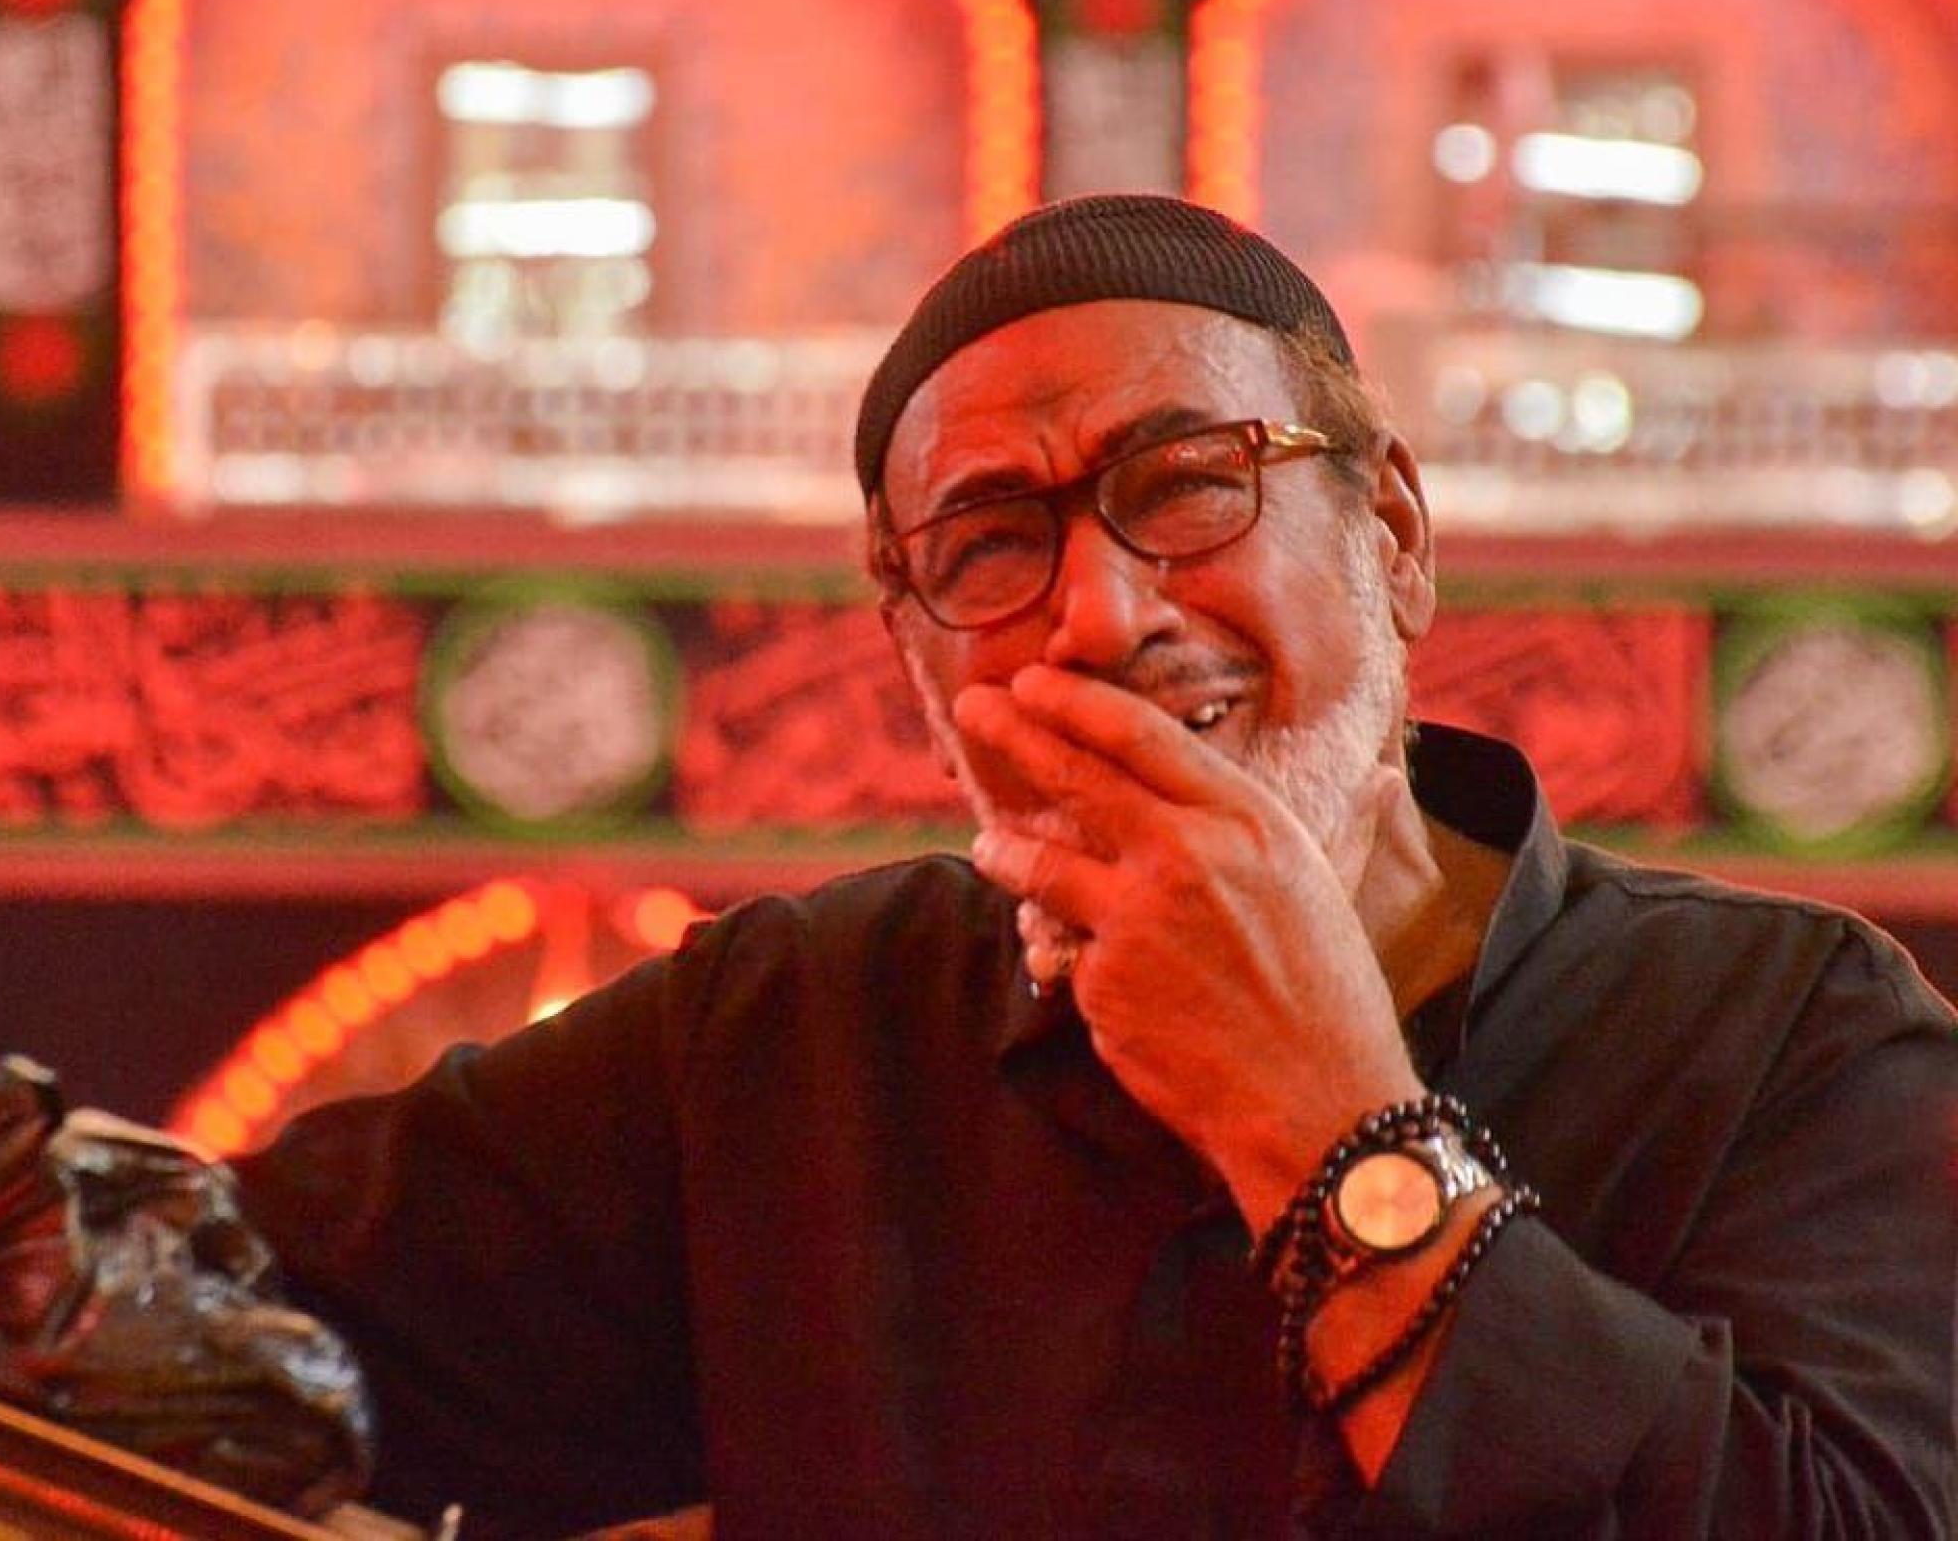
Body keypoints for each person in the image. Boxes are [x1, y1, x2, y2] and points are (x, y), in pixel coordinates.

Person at [235, 194, 1958, 1538]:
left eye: (1190, 484)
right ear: (912, 650)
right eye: (992, 545)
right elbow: (222, 1327)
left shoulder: (1788, 1039)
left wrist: (1322, 1115)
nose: (1105, 612)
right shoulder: (787, 1041)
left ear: (1394, 534)